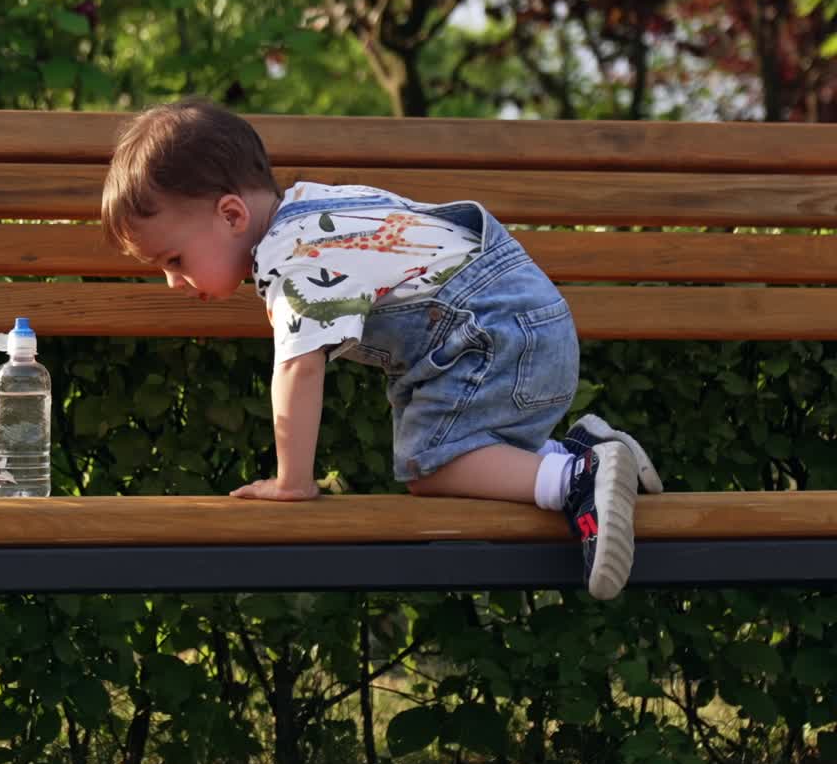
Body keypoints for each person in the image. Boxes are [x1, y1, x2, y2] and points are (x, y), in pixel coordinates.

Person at [100, 98, 660, 601]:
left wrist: (292, 481)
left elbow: (298, 366)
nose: (174, 281)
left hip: (492, 338)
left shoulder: (290, 260)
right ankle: (579, 452)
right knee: (467, 453)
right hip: (528, 322)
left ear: (230, 215)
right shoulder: (315, 207)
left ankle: (576, 479)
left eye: (174, 260)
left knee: (432, 466)